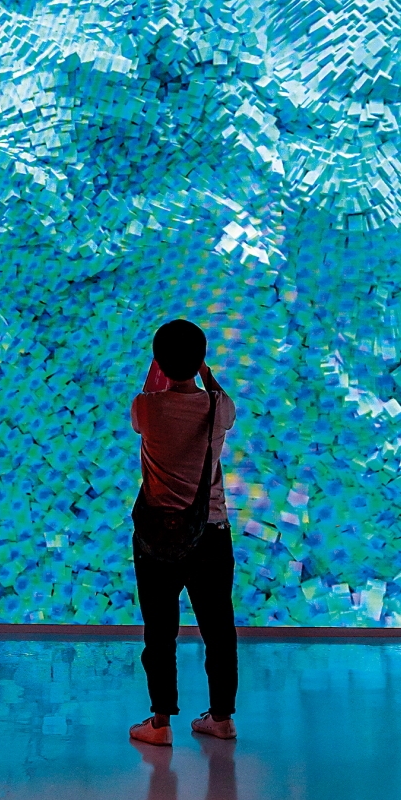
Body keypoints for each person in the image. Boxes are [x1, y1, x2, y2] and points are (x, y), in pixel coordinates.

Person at [129, 318, 238, 746]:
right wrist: (204, 371)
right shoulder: (218, 409)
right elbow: (218, 395)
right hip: (211, 531)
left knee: (159, 631)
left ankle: (159, 723)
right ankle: (223, 718)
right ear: (200, 360)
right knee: (219, 629)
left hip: (158, 538)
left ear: (159, 362)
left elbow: (148, 396)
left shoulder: (147, 408)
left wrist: (160, 368)